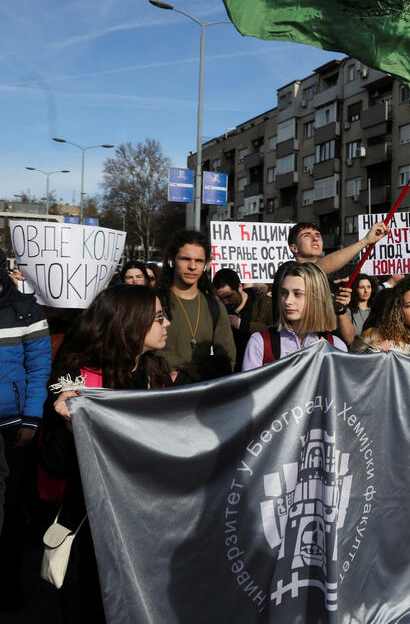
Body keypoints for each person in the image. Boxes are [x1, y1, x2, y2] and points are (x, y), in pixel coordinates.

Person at [43, 284, 173, 622]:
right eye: (158, 317)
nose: (167, 323)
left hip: (146, 524)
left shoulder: (155, 373)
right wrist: (72, 428)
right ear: (132, 322)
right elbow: (52, 462)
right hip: (93, 528)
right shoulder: (78, 376)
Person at [0, 269, 51, 609]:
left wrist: (31, 420)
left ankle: (8, 578)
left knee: (12, 504)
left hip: (13, 422)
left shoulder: (26, 309)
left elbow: (39, 366)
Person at [157, 230, 237, 383]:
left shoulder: (214, 307)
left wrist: (196, 372)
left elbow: (227, 359)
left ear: (206, 264)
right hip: (159, 394)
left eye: (199, 260)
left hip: (202, 396)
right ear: (171, 260)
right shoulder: (154, 303)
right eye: (185, 259)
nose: (192, 266)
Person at [243, 263, 346, 370]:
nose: (287, 301)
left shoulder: (335, 346)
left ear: (317, 297)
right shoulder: (260, 342)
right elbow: (250, 386)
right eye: (283, 293)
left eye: (297, 294)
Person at [211, 268, 273, 371]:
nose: (225, 302)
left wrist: (242, 324)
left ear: (240, 287)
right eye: (221, 299)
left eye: (229, 296)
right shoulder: (218, 309)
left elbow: (276, 332)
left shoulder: (264, 304)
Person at [348, 274, 376, 338]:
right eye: (362, 287)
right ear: (355, 289)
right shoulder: (349, 311)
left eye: (368, 287)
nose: (366, 291)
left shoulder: (376, 309)